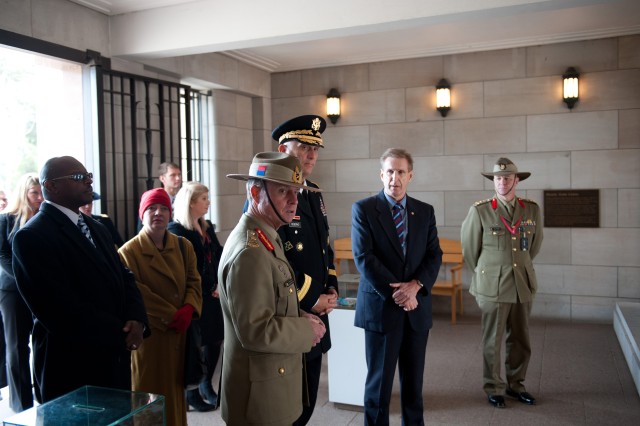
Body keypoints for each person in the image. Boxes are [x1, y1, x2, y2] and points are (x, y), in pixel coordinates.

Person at [11, 156, 148, 403]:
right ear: (50, 186)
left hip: (112, 359)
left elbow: (124, 276)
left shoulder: (97, 227)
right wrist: (120, 332)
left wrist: (137, 319)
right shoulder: (32, 236)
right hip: (71, 364)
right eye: (78, 177)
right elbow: (59, 308)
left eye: (89, 176)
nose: (88, 182)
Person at [219, 152, 326, 426]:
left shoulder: (266, 236)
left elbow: (269, 301)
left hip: (269, 388)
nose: (294, 201)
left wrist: (299, 316)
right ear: (255, 193)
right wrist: (306, 330)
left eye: (296, 192)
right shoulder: (249, 251)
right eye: (283, 191)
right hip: (259, 400)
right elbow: (255, 329)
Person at [351, 147, 442, 425]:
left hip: (416, 310)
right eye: (389, 171)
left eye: (400, 172)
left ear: (410, 176)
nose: (395, 178)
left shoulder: (424, 212)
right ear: (381, 175)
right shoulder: (364, 210)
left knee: (413, 388)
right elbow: (364, 258)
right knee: (378, 389)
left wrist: (415, 286)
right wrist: (401, 294)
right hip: (382, 310)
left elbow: (433, 255)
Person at [460, 157, 543, 408]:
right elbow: (470, 250)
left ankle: (516, 385)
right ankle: (494, 387)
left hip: (521, 284)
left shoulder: (531, 209)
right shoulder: (480, 210)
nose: (502, 182)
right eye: (498, 178)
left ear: (517, 180)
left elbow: (534, 246)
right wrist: (487, 273)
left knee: (521, 338)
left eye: (507, 178)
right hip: (493, 286)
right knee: (492, 339)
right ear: (493, 181)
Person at [271, 114, 338, 425]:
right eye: (303, 147)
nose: (311, 155)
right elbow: (274, 262)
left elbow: (324, 246)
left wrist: (331, 288)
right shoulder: (270, 191)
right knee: (287, 406)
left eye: (315, 149)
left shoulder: (312, 190)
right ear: (284, 149)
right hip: (292, 314)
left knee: (307, 400)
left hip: (317, 310)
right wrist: (313, 298)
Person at [119, 187, 203, 426]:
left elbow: (193, 280)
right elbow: (136, 292)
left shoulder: (183, 246)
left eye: (164, 208)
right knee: (149, 400)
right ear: (141, 213)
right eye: (152, 208)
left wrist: (189, 308)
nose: (158, 213)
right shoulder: (129, 252)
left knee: (175, 397)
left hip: (179, 334)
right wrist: (171, 315)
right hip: (149, 337)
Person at [168, 182, 224, 412]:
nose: (208, 203)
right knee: (194, 344)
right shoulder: (177, 230)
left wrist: (219, 283)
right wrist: (205, 287)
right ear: (191, 202)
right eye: (204, 199)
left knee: (215, 339)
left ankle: (205, 384)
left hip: (212, 294)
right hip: (192, 296)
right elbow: (182, 268)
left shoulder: (206, 227)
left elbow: (219, 254)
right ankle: (191, 392)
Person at [0, 173, 42, 411]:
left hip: (37, 289)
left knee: (40, 342)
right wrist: (24, 279)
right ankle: (20, 404)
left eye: (40, 193)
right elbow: (2, 255)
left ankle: (41, 395)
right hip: (12, 290)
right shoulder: (6, 219)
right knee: (16, 346)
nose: (39, 198)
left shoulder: (44, 219)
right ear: (23, 194)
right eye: (34, 193)